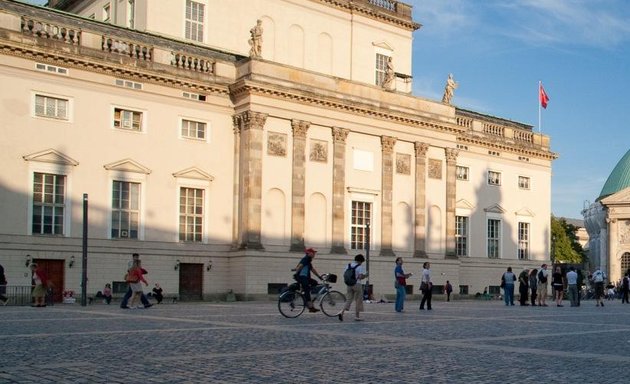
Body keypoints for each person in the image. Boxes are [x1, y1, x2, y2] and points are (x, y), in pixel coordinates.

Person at [292, 247, 322, 313]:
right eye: (313, 253)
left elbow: (312, 270)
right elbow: (300, 266)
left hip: (305, 277)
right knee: (307, 290)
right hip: (302, 277)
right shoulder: (306, 259)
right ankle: (310, 307)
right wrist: (296, 272)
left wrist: (319, 276)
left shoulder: (308, 260)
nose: (314, 254)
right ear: (309, 253)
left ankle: (306, 296)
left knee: (315, 282)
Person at [339, 254, 367, 321]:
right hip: (357, 284)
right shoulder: (359, 267)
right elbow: (360, 277)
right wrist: (365, 275)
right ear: (360, 261)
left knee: (349, 300)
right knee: (358, 300)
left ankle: (341, 312)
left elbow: (344, 274)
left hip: (349, 284)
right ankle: (357, 316)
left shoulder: (348, 265)